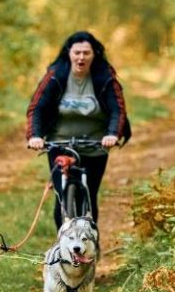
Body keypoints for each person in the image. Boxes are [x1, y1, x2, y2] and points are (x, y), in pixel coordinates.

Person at [26, 31, 131, 229]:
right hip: (59, 144)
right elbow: (37, 107)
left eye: (86, 53)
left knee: (90, 195)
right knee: (61, 195)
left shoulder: (104, 77)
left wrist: (112, 134)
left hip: (95, 145)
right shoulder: (56, 75)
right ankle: (62, 244)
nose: (81, 57)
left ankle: (90, 245)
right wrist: (35, 136)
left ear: (94, 54)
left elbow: (118, 109)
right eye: (77, 53)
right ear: (69, 53)